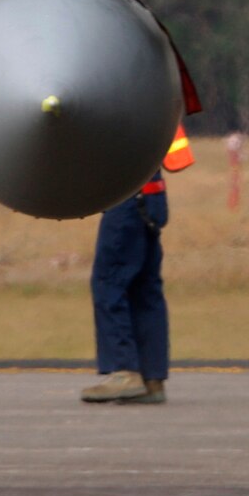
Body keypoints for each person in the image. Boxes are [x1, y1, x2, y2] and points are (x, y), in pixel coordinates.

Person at [81, 125, 193, 405]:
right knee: (144, 288)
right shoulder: (151, 91)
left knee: (109, 282)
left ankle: (124, 371)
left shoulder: (116, 95)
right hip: (152, 196)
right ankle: (152, 379)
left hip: (128, 197)